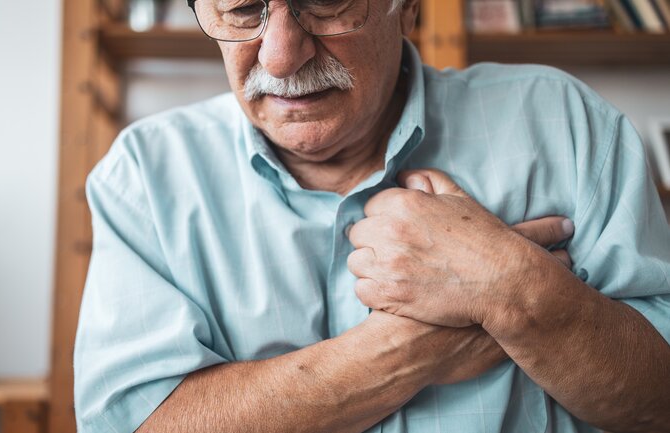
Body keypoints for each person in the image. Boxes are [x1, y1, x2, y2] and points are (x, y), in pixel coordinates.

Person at [73, 0, 670, 431]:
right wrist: (413, 344)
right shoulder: (145, 173)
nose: (280, 57)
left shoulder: (564, 123)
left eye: (327, 2)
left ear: (408, 8)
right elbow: (131, 423)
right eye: (243, 8)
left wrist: (515, 288)